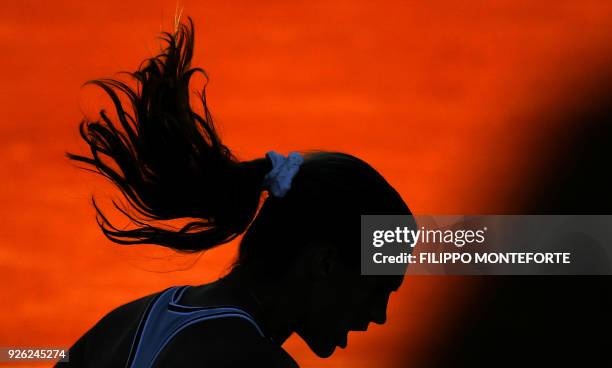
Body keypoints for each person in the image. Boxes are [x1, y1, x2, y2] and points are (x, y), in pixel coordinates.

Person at [61, 17, 412, 367]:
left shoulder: (119, 327)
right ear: (324, 264)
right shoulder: (257, 361)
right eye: (380, 289)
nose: (379, 315)